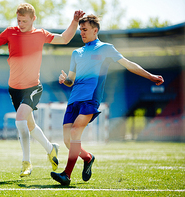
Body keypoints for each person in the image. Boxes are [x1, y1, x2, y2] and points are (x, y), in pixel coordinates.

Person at [0, 3, 85, 178]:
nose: (20, 24)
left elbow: (64, 38)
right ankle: (51, 148)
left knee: (20, 119)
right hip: (14, 89)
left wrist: (74, 22)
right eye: (18, 20)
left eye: (24, 21)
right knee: (29, 126)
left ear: (33, 19)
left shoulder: (40, 34)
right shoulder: (10, 32)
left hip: (33, 87)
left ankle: (26, 162)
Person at [51, 14, 164, 185]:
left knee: (75, 133)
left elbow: (128, 64)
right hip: (74, 99)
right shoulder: (76, 53)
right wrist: (65, 80)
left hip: (91, 98)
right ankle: (88, 158)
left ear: (95, 30)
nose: (81, 33)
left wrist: (150, 76)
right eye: (80, 30)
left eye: (85, 30)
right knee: (68, 141)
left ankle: (66, 175)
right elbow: (71, 80)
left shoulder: (105, 48)